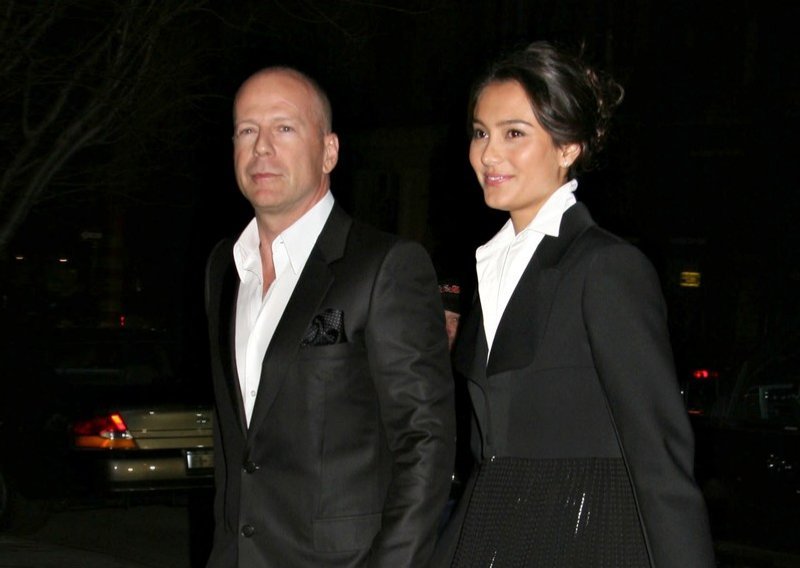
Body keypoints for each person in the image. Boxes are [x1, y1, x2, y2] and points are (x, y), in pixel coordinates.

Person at [434, 42, 716, 567]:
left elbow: (658, 452)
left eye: (514, 133)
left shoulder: (606, 267)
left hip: (588, 536)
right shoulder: (489, 269)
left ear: (568, 148)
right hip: (492, 534)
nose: (488, 154)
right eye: (480, 132)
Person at [204, 66, 456, 568]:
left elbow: (425, 442)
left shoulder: (384, 266)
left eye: (284, 128)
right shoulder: (223, 269)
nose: (261, 148)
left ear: (329, 151)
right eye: (247, 130)